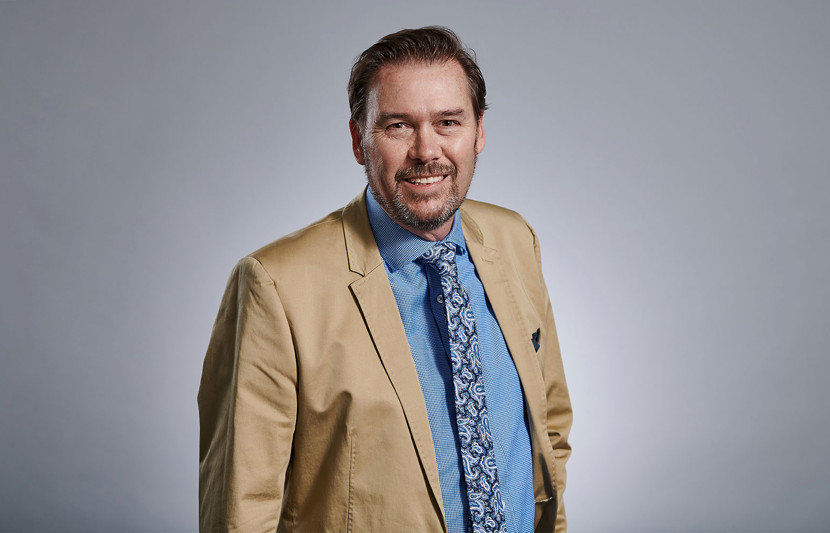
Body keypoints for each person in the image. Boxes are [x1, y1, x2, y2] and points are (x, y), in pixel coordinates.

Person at [198, 26, 572, 533]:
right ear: (359, 140)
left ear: (478, 131)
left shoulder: (514, 240)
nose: (426, 150)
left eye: (448, 122)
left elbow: (549, 427)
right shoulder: (275, 287)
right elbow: (241, 509)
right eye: (398, 126)